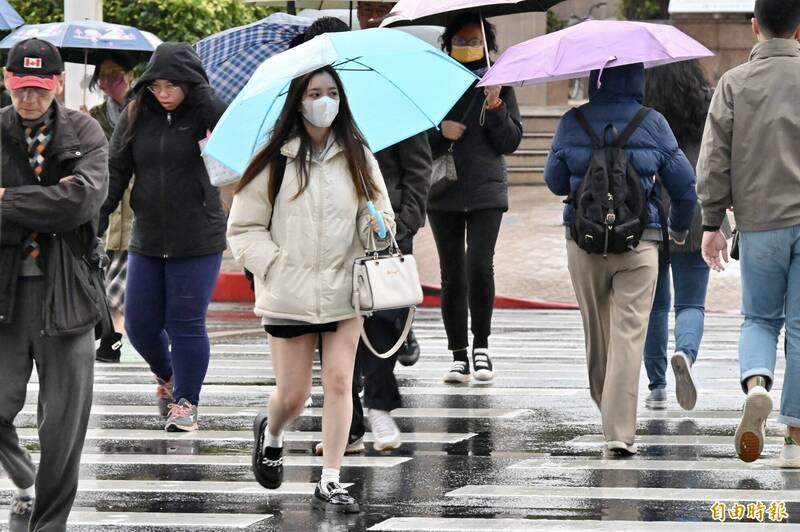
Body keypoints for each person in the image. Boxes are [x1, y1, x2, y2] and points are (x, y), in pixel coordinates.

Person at [227, 65, 394, 513]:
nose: (324, 101)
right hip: (289, 291)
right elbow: (243, 229)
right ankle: (273, 432)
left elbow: (382, 218)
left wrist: (374, 225)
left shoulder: (359, 154)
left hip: (346, 287)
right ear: (298, 101)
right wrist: (275, 267)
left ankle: (331, 479)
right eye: (315, 92)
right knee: (293, 395)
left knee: (341, 382)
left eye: (332, 92)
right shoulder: (274, 158)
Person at [545, 62, 697, 456]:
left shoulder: (572, 120)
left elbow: (554, 180)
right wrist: (678, 229)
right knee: (630, 335)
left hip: (584, 241)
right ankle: (619, 431)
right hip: (640, 242)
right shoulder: (654, 122)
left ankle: (608, 410)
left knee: (598, 332)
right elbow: (684, 186)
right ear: (638, 79)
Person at [310, 6, 431, 457]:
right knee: (335, 326)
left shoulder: (387, 96)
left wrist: (405, 223)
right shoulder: (310, 106)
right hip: (328, 235)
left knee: (382, 323)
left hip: (386, 230)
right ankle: (350, 423)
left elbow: (417, 168)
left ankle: (379, 404)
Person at [0, 38, 108, 532]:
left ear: (58, 85)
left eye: (39, 89)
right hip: (6, 294)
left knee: (63, 426)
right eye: (21, 87)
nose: (29, 99)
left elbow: (80, 205)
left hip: (67, 294)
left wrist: (7, 200)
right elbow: (60, 205)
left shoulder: (87, 131)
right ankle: (22, 473)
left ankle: (50, 526)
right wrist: (46, 203)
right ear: (6, 80)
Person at [99, 43, 228, 432]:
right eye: (156, 86)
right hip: (149, 235)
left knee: (185, 321)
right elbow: (116, 170)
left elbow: (232, 140)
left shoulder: (205, 114)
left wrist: (202, 94)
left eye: (173, 85)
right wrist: (96, 220)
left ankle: (186, 402)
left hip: (199, 236)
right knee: (138, 323)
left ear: (190, 84)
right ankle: (168, 375)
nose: (164, 93)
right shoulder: (136, 114)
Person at [698, 0, 800, 466]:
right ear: (799, 30)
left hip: (758, 224)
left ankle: (757, 384)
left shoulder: (734, 83)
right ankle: (796, 438)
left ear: (755, 26)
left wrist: (711, 221)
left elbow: (714, 158)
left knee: (759, 319)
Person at [429, 13, 523, 384]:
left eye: (474, 41)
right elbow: (417, 137)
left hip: (486, 189)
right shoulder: (434, 83)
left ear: (487, 44)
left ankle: (481, 346)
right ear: (449, 43)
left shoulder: (499, 82)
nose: (468, 47)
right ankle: (457, 355)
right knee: (452, 274)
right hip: (443, 190)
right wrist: (441, 131)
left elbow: (511, 142)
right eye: (461, 41)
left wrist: (497, 107)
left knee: (479, 267)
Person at [641, 60, 732, 411]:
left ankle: (657, 386)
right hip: (697, 208)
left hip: (650, 213)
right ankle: (685, 354)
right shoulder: (706, 104)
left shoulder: (645, 110)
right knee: (692, 303)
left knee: (655, 304)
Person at [88, 52, 137, 363]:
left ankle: (113, 339)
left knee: (125, 277)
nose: (108, 82)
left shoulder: (143, 111)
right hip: (104, 204)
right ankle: (110, 334)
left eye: (114, 74)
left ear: (130, 75)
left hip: (136, 206)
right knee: (104, 274)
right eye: (103, 76)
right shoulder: (93, 116)